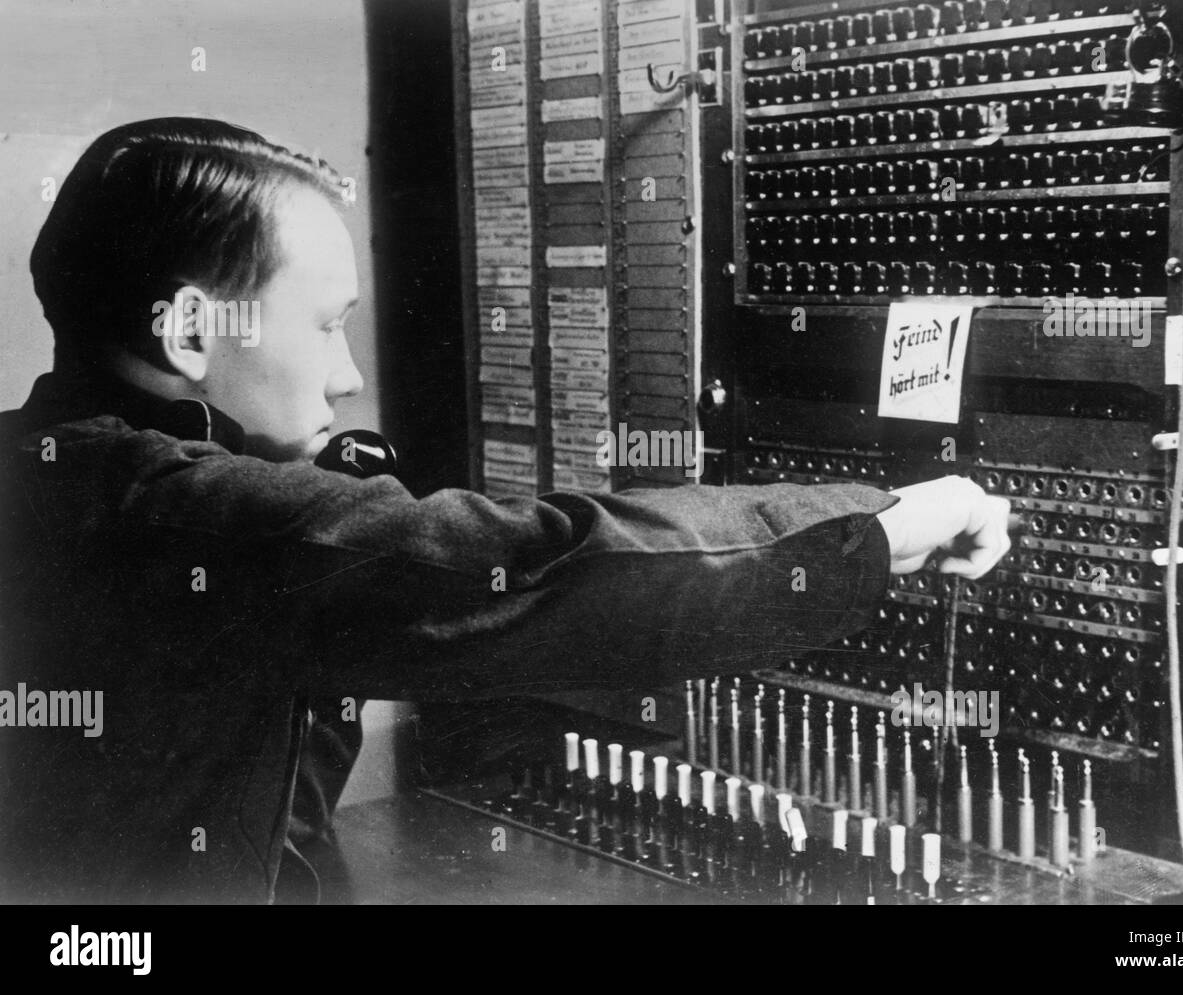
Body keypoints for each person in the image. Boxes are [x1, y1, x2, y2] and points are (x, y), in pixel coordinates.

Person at [0, 118, 1011, 904]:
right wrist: (877, 525)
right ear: (189, 329)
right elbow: (540, 569)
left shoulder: (54, 467)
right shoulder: (174, 518)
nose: (350, 374)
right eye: (324, 325)